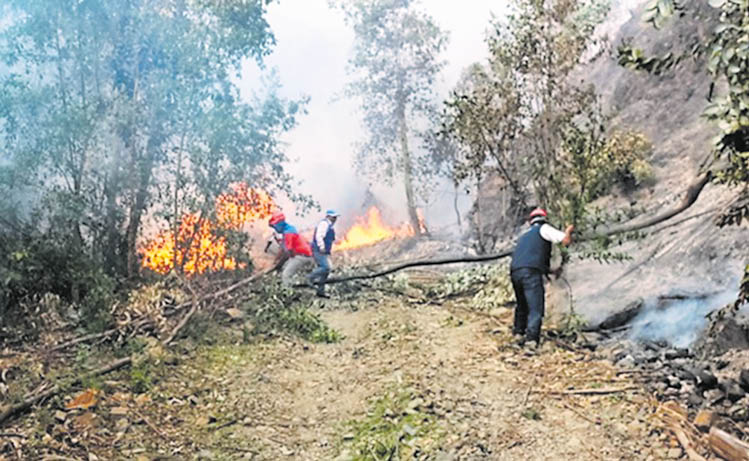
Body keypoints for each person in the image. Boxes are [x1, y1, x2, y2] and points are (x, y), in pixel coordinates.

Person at [509, 207, 574, 350]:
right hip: (530, 273)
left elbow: (531, 258)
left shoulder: (524, 236)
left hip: (515, 272)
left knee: (522, 304)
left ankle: (518, 334)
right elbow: (565, 241)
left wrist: (552, 271)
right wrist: (569, 230)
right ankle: (531, 341)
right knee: (535, 307)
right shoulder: (544, 229)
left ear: (530, 221)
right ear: (544, 219)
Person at [267, 211, 314, 286]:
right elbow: (282, 249)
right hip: (298, 255)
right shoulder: (287, 230)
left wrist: (279, 264)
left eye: (274, 226)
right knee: (284, 268)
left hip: (302, 256)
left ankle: (288, 293)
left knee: (286, 274)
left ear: (279, 224)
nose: (275, 229)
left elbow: (287, 253)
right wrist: (275, 262)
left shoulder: (288, 233)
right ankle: (286, 285)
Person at [308, 209, 339, 298]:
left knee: (326, 272)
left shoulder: (330, 225)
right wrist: (321, 247)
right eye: (333, 217)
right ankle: (310, 277)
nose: (335, 219)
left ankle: (320, 291)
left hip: (324, 250)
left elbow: (331, 238)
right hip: (318, 249)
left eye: (336, 217)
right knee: (326, 267)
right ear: (328, 216)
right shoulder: (324, 224)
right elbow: (319, 236)